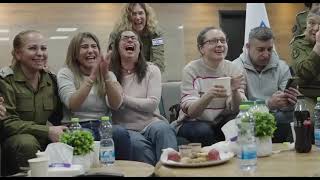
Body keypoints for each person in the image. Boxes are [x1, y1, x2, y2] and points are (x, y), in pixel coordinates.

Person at [0, 30, 65, 176]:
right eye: (32, 48)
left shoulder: (51, 80)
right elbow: (8, 123)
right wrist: (47, 131)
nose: (40, 53)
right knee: (27, 142)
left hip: (42, 137)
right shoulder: (5, 80)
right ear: (18, 54)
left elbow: (58, 117)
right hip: (15, 140)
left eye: (43, 48)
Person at [57, 32, 131, 160]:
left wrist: (106, 76)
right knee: (84, 136)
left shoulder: (108, 73)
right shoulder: (66, 73)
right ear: (75, 53)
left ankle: (123, 171)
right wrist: (92, 76)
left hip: (103, 124)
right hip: (77, 125)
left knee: (120, 133)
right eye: (84, 47)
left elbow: (116, 104)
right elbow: (72, 104)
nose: (90, 51)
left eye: (94, 46)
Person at [109, 30, 177, 165]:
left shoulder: (152, 70)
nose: (130, 40)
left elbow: (152, 104)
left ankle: (172, 172)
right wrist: (119, 98)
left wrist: (123, 97)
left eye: (133, 38)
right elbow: (112, 104)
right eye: (125, 38)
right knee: (138, 146)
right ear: (117, 47)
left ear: (140, 48)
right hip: (126, 128)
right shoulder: (110, 74)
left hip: (152, 123)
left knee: (164, 130)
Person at [172, 26, 246, 146]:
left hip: (220, 121)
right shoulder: (191, 70)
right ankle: (217, 159)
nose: (220, 44)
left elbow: (237, 109)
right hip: (192, 122)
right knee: (203, 131)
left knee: (240, 123)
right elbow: (191, 112)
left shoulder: (234, 69)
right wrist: (210, 95)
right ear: (201, 49)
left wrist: (235, 91)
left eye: (223, 40)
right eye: (213, 41)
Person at [233, 26, 299, 143]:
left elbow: (286, 105)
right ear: (248, 47)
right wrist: (268, 104)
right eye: (260, 49)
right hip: (247, 117)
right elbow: (238, 106)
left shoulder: (282, 67)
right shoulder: (236, 67)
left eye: (269, 49)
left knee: (295, 114)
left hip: (276, 115)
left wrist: (291, 101)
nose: (266, 54)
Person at [108, 3, 165, 73]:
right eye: (134, 14)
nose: (138, 17)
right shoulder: (117, 34)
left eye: (140, 13)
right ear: (128, 17)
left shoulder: (156, 34)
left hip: (147, 74)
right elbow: (112, 60)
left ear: (146, 15)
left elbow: (159, 62)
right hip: (123, 74)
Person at [290, 6, 320, 117]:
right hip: (308, 94)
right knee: (309, 119)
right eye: (311, 23)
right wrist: (318, 47)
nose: (316, 28)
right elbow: (304, 73)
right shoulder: (299, 43)